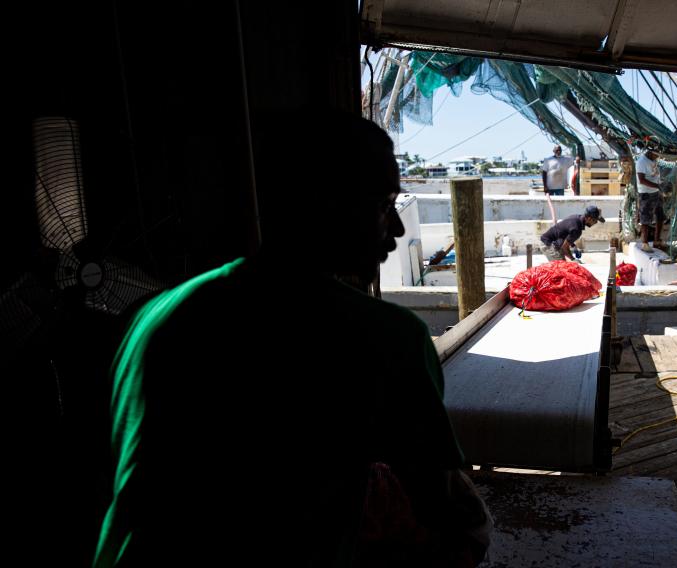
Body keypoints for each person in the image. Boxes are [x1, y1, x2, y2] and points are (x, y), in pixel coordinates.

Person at [93, 112, 490, 567]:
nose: (398, 230)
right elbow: (446, 512)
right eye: (383, 206)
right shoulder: (385, 337)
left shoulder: (149, 316)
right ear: (326, 203)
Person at [539, 205, 605, 262]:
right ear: (589, 218)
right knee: (562, 268)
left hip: (552, 242)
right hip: (548, 244)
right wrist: (573, 259)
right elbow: (564, 247)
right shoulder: (577, 229)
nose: (595, 223)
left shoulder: (577, 217)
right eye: (595, 221)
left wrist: (574, 247)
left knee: (563, 267)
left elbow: (565, 234)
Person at [636, 147, 667, 252]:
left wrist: (659, 188)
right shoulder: (641, 162)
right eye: (656, 154)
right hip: (646, 193)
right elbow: (641, 180)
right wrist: (658, 186)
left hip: (655, 192)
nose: (658, 156)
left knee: (660, 215)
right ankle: (645, 243)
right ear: (650, 152)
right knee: (646, 219)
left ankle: (657, 240)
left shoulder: (654, 160)